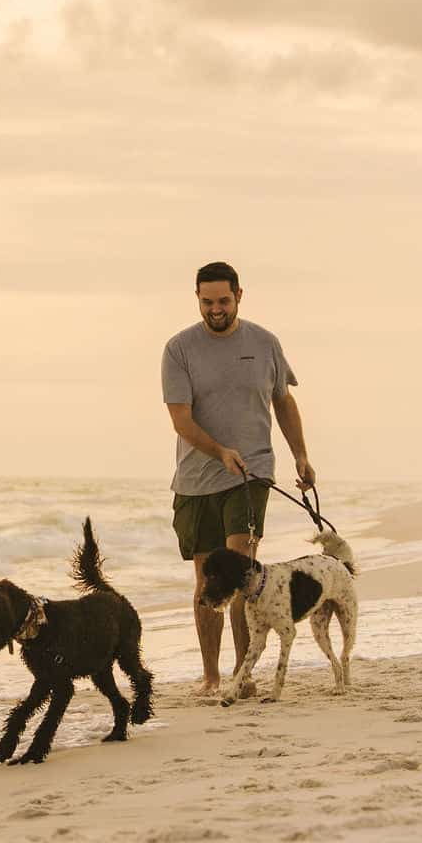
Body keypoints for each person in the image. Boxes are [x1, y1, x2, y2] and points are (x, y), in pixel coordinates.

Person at [161, 260, 314, 695]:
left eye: (223, 300)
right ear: (197, 299)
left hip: (252, 473)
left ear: (239, 296)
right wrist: (218, 451)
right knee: (208, 580)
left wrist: (300, 454)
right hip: (195, 480)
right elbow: (180, 420)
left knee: (243, 574)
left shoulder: (265, 343)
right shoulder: (179, 349)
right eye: (207, 302)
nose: (215, 309)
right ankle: (211, 676)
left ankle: (241, 674)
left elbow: (283, 402)